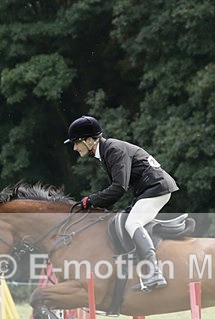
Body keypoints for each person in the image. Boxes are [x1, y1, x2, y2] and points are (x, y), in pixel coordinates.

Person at [65, 115, 178, 291]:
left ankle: (154, 273)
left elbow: (119, 188)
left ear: (88, 140)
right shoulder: (105, 152)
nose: (74, 147)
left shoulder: (113, 150)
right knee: (123, 219)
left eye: (76, 142)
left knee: (133, 222)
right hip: (148, 190)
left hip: (157, 188)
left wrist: (92, 200)